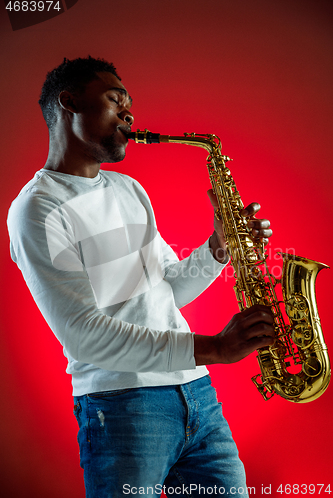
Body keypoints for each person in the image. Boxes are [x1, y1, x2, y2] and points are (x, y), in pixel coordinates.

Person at [7, 56, 274, 498]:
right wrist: (216, 348)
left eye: (130, 104)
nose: (130, 114)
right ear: (69, 102)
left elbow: (166, 291)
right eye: (115, 100)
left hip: (197, 396)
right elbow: (83, 335)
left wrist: (219, 247)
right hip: (122, 405)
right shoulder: (38, 209)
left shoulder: (130, 190)